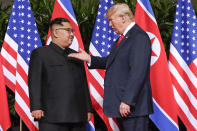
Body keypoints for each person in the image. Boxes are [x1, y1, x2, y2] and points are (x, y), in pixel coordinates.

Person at [68, 3, 153, 131]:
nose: (110, 24)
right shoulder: (123, 39)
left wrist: (127, 101)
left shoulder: (138, 37)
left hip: (133, 107)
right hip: (124, 106)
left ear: (123, 18)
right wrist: (90, 59)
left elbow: (138, 72)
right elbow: (113, 61)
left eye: (111, 20)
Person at [28, 17, 92, 131]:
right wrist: (36, 107)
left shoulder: (76, 55)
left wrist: (88, 109)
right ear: (56, 33)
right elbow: (34, 82)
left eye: (73, 31)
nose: (72, 34)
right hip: (52, 117)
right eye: (68, 30)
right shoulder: (40, 54)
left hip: (78, 116)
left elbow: (83, 85)